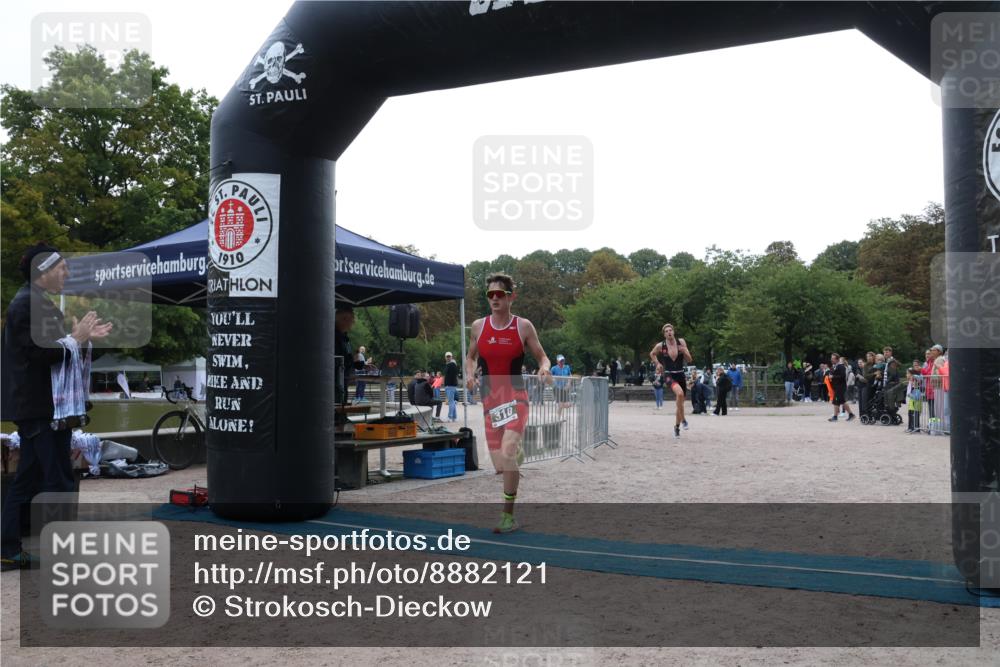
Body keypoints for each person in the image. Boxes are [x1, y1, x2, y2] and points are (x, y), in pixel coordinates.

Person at [1, 244, 113, 571]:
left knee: (29, 479)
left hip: (42, 408)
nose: (66, 273)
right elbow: (41, 355)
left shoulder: (34, 303)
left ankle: (8, 549)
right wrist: (74, 339)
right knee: (59, 480)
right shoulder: (26, 306)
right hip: (43, 410)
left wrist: (84, 338)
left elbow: (55, 353)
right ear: (44, 271)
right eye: (62, 268)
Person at [466, 273, 551, 534]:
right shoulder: (478, 326)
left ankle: (508, 516)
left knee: (507, 451)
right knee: (500, 466)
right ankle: (515, 452)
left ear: (510, 297)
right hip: (491, 396)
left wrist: (544, 369)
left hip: (515, 394)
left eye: (499, 294)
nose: (494, 299)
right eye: (490, 294)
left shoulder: (523, 326)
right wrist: (469, 374)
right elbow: (470, 357)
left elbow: (542, 357)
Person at [649, 323, 693, 439]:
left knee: (680, 403)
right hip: (668, 375)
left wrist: (684, 351)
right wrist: (657, 363)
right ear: (664, 334)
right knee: (679, 394)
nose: (669, 332)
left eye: (670, 330)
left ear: (673, 332)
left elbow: (689, 360)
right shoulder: (661, 345)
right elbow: (652, 354)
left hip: (680, 374)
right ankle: (683, 420)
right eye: (666, 331)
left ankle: (677, 427)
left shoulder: (681, 342)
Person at [334, 303, 356, 406]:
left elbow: (347, 358)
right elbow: (339, 358)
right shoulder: (333, 336)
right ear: (344, 319)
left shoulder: (344, 337)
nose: (353, 323)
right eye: (352, 319)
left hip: (343, 380)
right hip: (335, 383)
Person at [827, 353, 855, 422]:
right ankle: (851, 414)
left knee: (836, 401)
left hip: (840, 386)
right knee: (842, 401)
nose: (831, 359)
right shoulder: (834, 366)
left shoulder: (841, 366)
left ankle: (835, 416)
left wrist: (833, 376)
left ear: (837, 359)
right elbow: (832, 373)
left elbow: (842, 376)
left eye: (833, 358)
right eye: (831, 358)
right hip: (837, 386)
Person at [443, 352, 459, 422]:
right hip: (450, 385)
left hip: (450, 385)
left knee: (451, 402)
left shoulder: (452, 365)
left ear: (451, 357)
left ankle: (450, 417)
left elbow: (452, 376)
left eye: (449, 356)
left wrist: (448, 385)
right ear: (445, 357)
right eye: (447, 356)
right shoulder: (450, 364)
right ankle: (454, 417)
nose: (448, 357)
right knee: (452, 401)